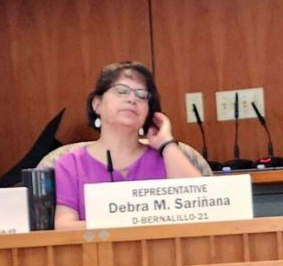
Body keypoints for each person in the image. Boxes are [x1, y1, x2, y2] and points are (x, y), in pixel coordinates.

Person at [54, 61, 203, 228]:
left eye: (141, 95)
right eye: (121, 91)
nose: (132, 99)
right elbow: (64, 226)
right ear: (97, 104)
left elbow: (202, 207)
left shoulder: (166, 158)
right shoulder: (71, 163)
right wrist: (128, 222)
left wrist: (166, 143)